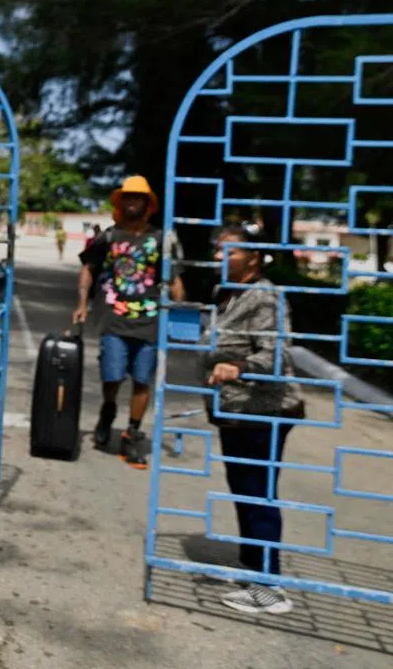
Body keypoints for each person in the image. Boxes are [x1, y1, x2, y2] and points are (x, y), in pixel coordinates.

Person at [203, 224, 303, 616]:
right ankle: (252, 568)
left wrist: (238, 366)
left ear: (254, 258)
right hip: (236, 410)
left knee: (259, 493)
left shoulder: (264, 296)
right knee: (243, 488)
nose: (217, 257)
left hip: (264, 410)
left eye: (227, 251)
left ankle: (270, 587)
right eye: (217, 250)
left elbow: (277, 354)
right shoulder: (227, 291)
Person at [73, 175, 185, 468]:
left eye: (139, 198)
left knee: (142, 380)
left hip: (150, 321)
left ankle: (132, 433)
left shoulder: (162, 240)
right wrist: (82, 303)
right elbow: (88, 268)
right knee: (112, 377)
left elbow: (174, 279)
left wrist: (181, 309)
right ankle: (108, 409)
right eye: (128, 197)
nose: (133, 202)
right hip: (114, 318)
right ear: (121, 203)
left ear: (148, 204)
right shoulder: (108, 237)